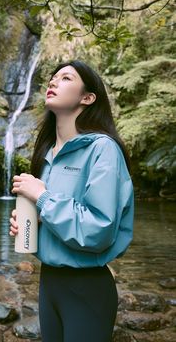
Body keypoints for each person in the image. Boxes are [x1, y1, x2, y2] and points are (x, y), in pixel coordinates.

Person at [9, 60, 134, 342]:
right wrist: (31, 224)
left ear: (87, 97)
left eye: (66, 78)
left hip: (86, 286)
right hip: (49, 282)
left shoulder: (103, 149)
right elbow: (58, 217)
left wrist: (41, 197)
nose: (53, 82)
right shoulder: (47, 154)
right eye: (52, 78)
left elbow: (98, 230)